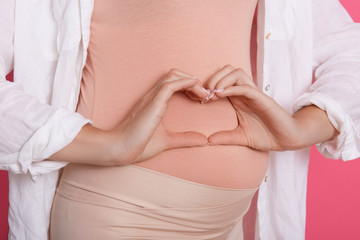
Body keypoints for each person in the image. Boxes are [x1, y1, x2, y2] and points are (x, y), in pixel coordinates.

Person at [0, 0, 359, 239]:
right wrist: (108, 145)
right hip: (119, 216)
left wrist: (302, 129)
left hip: (233, 221)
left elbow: (349, 48)